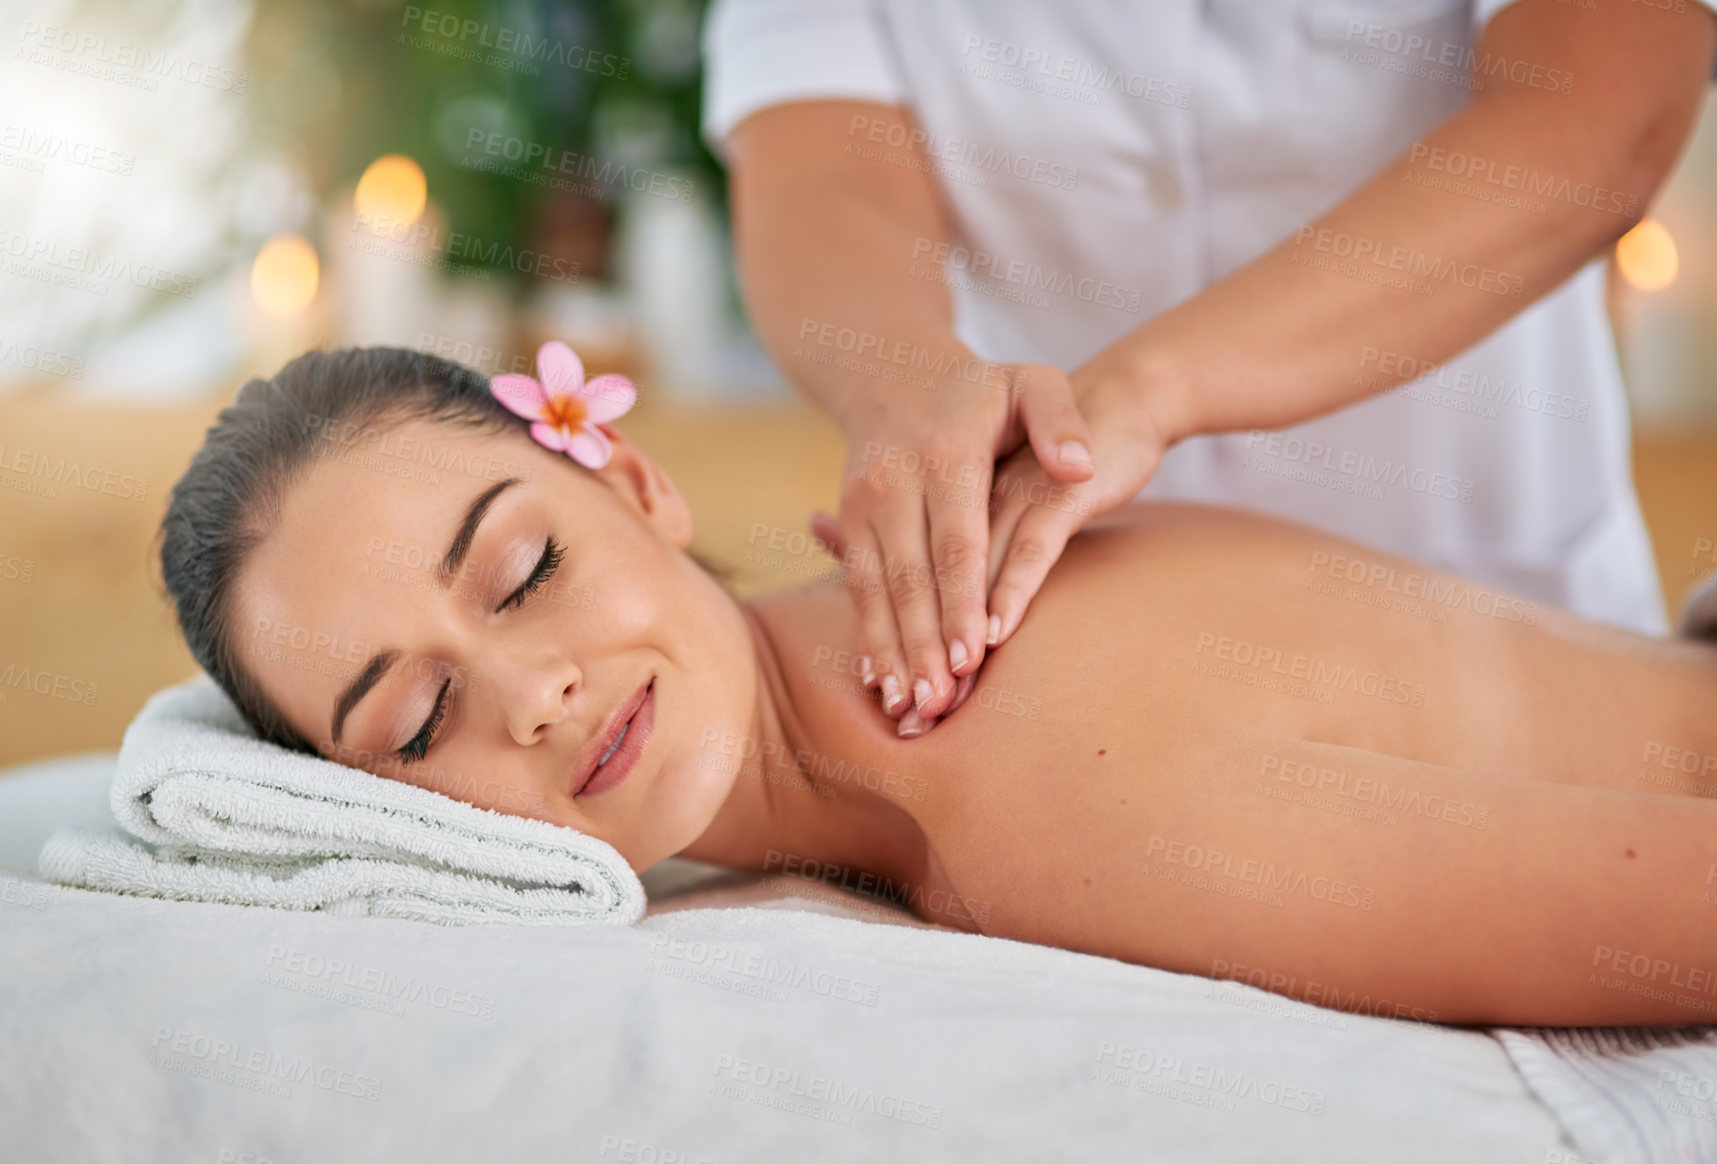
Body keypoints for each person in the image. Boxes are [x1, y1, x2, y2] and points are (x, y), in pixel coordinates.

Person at [158, 348, 1717, 1027]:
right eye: (417, 724)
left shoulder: (1033, 792)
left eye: (521, 574)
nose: (535, 693)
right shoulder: (870, 751)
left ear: (629, 477)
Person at [702, 0, 1717, 736]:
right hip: (1073, 676)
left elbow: (1597, 124)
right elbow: (820, 170)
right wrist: (909, 389)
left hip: (1513, 627)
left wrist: (1150, 389)